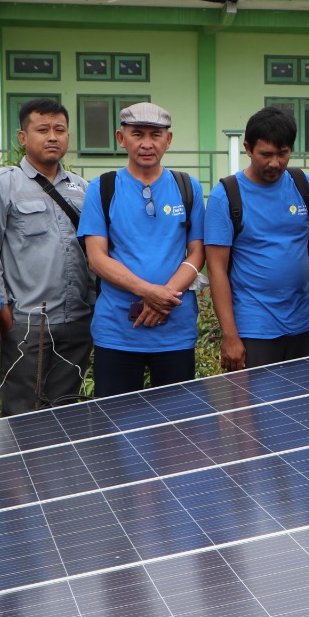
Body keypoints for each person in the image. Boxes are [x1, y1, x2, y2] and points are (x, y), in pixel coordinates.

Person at [77, 102, 205, 396]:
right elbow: (96, 258)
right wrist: (150, 292)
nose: (147, 143)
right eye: (137, 134)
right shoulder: (102, 188)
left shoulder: (187, 187)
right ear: (121, 138)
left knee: (177, 430)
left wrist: (164, 298)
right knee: (114, 426)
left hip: (175, 331)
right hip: (118, 333)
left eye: (156, 135)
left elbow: (198, 253)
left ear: (168, 140)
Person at [0, 98, 93, 415]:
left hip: (76, 321)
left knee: (66, 412)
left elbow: (95, 253)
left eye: (60, 129)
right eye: (42, 129)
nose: (52, 136)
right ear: (23, 137)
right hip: (27, 323)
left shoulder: (83, 189)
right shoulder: (0, 186)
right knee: (21, 414)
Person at [204, 106, 309, 369]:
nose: (275, 163)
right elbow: (216, 270)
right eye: (265, 154)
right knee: (257, 408)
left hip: (306, 324)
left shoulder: (304, 186)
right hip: (255, 329)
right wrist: (230, 337)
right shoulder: (226, 195)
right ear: (248, 149)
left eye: (283, 154)